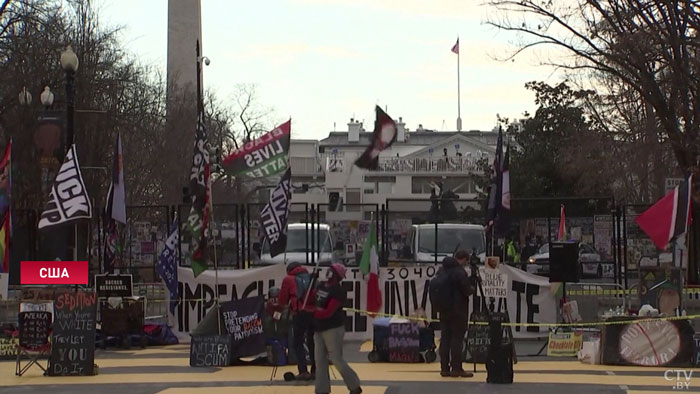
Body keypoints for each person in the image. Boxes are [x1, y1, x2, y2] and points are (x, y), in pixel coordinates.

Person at [313, 263, 362, 394]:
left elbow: (328, 312)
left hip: (333, 329)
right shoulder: (321, 285)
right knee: (320, 361)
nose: (328, 272)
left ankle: (354, 386)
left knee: (336, 359)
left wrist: (311, 312)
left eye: (331, 271)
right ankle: (321, 390)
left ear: (337, 275)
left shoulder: (337, 291)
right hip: (318, 328)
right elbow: (313, 300)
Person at [437, 252, 474, 378]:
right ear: (463, 259)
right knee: (457, 340)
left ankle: (444, 368)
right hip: (458, 311)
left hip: (443, 310)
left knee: (445, 338)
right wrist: (472, 285)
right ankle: (456, 368)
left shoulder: (441, 272)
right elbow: (467, 290)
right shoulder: (459, 272)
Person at [279, 262, 315, 381]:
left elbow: (282, 300)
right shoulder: (310, 277)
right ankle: (315, 370)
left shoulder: (288, 279)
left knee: (297, 342)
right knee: (312, 341)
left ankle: (303, 371)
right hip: (314, 312)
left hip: (300, 313)